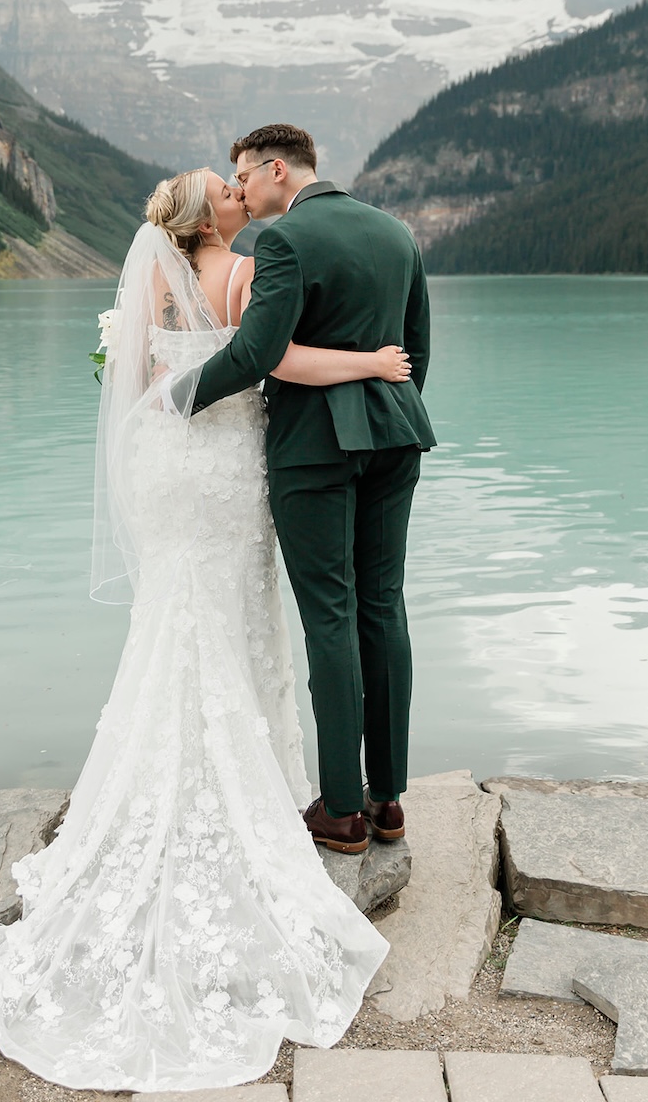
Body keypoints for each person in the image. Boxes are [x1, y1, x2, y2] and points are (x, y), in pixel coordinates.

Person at [0, 166, 412, 1092]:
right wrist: (372, 364)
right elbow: (271, 363)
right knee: (244, 615)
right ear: (213, 213)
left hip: (163, 461)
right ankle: (279, 779)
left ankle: (158, 776)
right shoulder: (247, 271)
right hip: (226, 463)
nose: (240, 189)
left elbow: (133, 386)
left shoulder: (152, 281)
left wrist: (160, 414)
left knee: (170, 621)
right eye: (226, 186)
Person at [180, 124, 436, 856]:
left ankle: (342, 810)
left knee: (330, 612)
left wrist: (175, 397)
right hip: (396, 436)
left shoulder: (285, 242)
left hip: (314, 449)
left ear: (276, 169)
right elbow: (415, 351)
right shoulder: (397, 234)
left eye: (245, 177)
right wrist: (391, 415)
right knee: (383, 606)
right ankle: (388, 801)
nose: (242, 192)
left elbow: (258, 353)